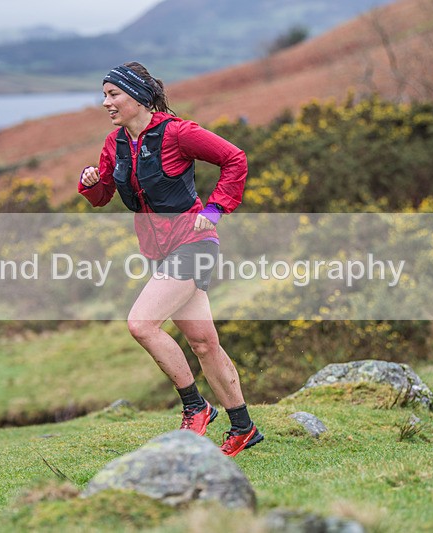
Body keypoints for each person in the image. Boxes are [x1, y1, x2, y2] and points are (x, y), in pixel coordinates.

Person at [79, 62, 263, 456]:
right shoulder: (115, 144)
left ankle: (196, 408)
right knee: (203, 343)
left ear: (138, 97)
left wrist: (214, 210)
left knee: (141, 324)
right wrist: (90, 181)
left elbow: (235, 159)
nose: (106, 102)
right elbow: (103, 194)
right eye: (105, 95)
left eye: (113, 94)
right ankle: (243, 427)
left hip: (194, 244)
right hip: (159, 252)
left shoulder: (178, 132)